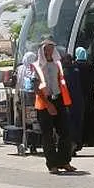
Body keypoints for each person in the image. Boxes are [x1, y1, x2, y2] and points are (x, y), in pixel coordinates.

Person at [32, 39, 77, 173]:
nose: (50, 51)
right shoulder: (38, 66)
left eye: (52, 48)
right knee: (48, 135)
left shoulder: (58, 64)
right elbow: (36, 86)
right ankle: (52, 164)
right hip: (44, 102)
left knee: (65, 132)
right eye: (47, 48)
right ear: (42, 50)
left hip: (59, 100)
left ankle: (64, 161)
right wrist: (48, 104)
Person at [74, 47, 94, 147]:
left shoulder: (74, 65)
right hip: (89, 95)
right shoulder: (90, 65)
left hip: (78, 95)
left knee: (80, 117)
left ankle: (81, 139)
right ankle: (92, 140)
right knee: (90, 117)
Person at [62, 53, 84, 154]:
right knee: (77, 123)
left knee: (69, 124)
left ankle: (72, 144)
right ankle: (76, 143)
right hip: (79, 101)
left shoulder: (64, 72)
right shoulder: (77, 70)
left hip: (68, 102)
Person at [14, 51, 37, 126]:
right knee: (31, 112)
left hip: (20, 93)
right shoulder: (32, 69)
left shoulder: (19, 68)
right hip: (30, 95)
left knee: (21, 110)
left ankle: (22, 125)